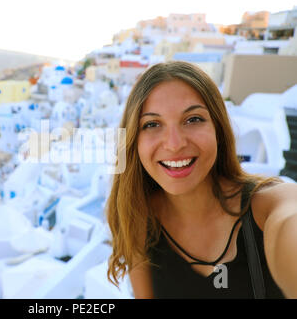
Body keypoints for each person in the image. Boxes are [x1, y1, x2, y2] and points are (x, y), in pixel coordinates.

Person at [106, 61, 297, 299]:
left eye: (193, 119)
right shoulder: (139, 219)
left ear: (218, 128)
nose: (175, 144)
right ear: (134, 139)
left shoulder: (269, 209)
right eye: (152, 124)